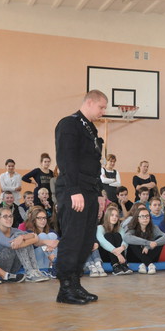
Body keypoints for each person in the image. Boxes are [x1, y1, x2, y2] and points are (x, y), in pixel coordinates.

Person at [54, 90, 109, 304]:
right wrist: (74, 190)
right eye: (101, 107)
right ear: (90, 102)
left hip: (90, 190)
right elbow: (66, 159)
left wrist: (100, 193)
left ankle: (75, 283)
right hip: (74, 190)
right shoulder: (69, 124)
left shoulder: (91, 128)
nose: (103, 112)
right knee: (73, 239)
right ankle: (65, 288)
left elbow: (95, 165)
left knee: (86, 241)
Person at [0, 207, 50, 282]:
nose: (9, 219)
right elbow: (12, 245)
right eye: (5, 216)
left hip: (13, 268)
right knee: (18, 237)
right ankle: (30, 272)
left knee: (21, 236)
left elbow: (34, 236)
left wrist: (22, 237)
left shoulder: (14, 230)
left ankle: (35, 270)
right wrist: (25, 238)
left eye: (11, 216)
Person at [123, 206, 165, 274]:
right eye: (142, 216)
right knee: (133, 241)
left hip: (150, 255)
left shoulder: (153, 227)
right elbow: (126, 237)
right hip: (135, 257)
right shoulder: (132, 228)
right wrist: (147, 243)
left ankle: (144, 264)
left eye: (147, 216)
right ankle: (149, 264)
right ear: (137, 218)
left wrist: (149, 246)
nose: (145, 218)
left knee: (159, 240)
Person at [95, 204, 134, 275]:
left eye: (116, 216)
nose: (114, 217)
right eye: (112, 215)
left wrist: (122, 247)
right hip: (105, 255)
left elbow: (125, 240)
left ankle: (123, 264)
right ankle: (115, 265)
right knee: (108, 235)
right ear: (107, 216)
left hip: (118, 254)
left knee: (117, 235)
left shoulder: (120, 229)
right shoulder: (100, 227)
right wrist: (118, 254)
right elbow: (102, 241)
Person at [22, 206, 60, 275]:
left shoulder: (51, 231)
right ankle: (54, 263)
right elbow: (33, 245)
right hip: (37, 262)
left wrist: (55, 244)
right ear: (34, 220)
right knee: (42, 235)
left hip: (50, 258)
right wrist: (47, 243)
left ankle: (53, 264)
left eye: (44, 218)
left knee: (52, 235)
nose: (43, 220)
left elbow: (61, 242)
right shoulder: (29, 232)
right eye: (39, 218)